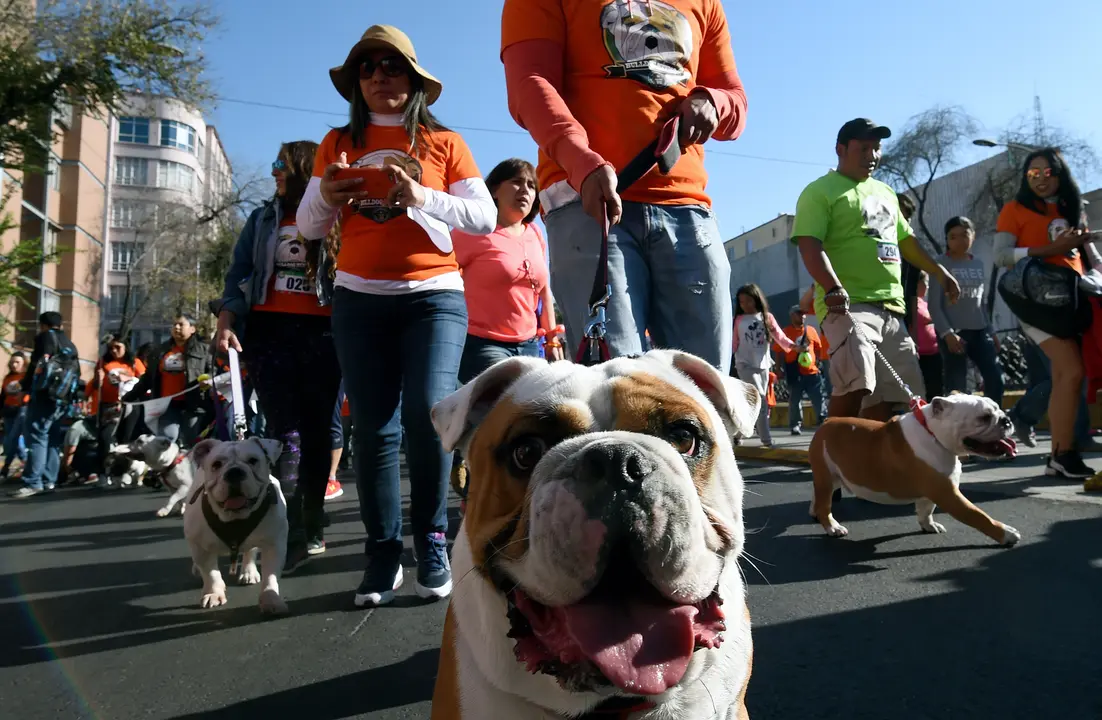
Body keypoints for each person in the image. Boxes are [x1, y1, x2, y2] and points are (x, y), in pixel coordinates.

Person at [297, 25, 496, 607]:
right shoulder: (336, 142)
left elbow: (483, 218)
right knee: (375, 429)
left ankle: (431, 537)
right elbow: (309, 227)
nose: (381, 75)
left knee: (429, 416)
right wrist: (328, 197)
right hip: (358, 298)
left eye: (393, 66)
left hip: (434, 295)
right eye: (368, 67)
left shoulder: (445, 142)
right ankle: (382, 551)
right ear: (357, 83)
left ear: (413, 80)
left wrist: (421, 197)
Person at [501, 0, 747, 372]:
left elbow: (735, 100)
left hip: (688, 207)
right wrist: (581, 161)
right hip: (587, 203)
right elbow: (530, 84)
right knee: (614, 387)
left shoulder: (706, 3)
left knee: (706, 386)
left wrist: (713, 102)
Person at [213, 140, 343, 571]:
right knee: (283, 431)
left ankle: (313, 521)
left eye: (280, 164)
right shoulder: (262, 219)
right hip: (268, 335)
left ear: (305, 170)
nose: (273, 172)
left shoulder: (334, 217)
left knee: (319, 430)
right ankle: (286, 525)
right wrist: (226, 321)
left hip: (324, 333)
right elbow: (238, 276)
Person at [792, 118, 961, 421]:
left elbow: (906, 241)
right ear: (840, 149)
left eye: (877, 148)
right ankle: (830, 454)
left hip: (892, 310)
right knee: (857, 384)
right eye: (863, 148)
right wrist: (832, 287)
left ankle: (867, 464)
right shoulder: (820, 191)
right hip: (848, 305)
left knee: (893, 395)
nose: (872, 155)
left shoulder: (885, 192)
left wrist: (939, 272)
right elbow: (809, 245)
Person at [450, 158, 563, 498]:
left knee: (527, 417)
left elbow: (543, 290)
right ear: (494, 190)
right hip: (482, 341)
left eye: (531, 185)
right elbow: (445, 277)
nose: (525, 191)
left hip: (529, 342)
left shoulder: (534, 233)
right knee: (505, 414)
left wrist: (552, 338)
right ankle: (482, 487)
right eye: (515, 182)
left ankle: (501, 481)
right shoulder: (471, 231)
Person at [993, 147, 1098, 479]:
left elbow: (1088, 255)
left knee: (1070, 377)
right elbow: (1001, 256)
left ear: (1060, 174)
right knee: (1070, 372)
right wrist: (1049, 250)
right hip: (1034, 302)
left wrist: (1088, 252)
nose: (1039, 180)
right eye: (1032, 174)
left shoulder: (1072, 209)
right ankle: (1062, 454)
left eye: (1047, 173)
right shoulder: (1015, 209)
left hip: (1072, 299)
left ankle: (1061, 454)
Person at [929, 216, 1004, 405]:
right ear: (946, 239)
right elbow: (934, 305)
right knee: (957, 389)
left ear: (973, 235)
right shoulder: (940, 264)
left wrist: (991, 331)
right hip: (954, 335)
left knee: (996, 379)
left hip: (980, 331)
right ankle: (960, 431)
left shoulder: (978, 263)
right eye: (953, 236)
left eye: (964, 234)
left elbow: (981, 301)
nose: (959, 240)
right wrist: (947, 334)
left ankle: (993, 425)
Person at [12, 312, 80, 498]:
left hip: (45, 395)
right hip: (62, 397)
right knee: (52, 438)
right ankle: (49, 480)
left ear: (43, 325)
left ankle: (33, 482)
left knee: (36, 435)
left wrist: (24, 387)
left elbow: (37, 365)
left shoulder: (45, 338)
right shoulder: (69, 343)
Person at [124, 315, 213, 446]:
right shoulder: (160, 351)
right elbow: (147, 379)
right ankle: (166, 466)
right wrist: (127, 398)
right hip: (166, 405)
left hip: (194, 405)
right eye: (174, 325)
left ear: (192, 329)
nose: (176, 327)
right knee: (165, 440)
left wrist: (209, 379)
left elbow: (214, 371)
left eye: (181, 325)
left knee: (192, 444)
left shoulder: (204, 350)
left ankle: (192, 466)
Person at [732, 284, 794, 447]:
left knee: (751, 403)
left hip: (764, 365)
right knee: (760, 398)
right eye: (741, 302)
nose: (745, 305)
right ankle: (766, 439)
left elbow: (779, 336)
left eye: (748, 301)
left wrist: (794, 346)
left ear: (757, 299)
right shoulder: (738, 320)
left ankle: (738, 433)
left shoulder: (766, 317)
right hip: (744, 364)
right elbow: (733, 342)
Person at [90, 337, 146, 475]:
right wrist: (99, 378)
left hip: (130, 405)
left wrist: (128, 379)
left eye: (118, 347)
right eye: (111, 348)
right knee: (105, 437)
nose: (114, 351)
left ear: (125, 347)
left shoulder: (134, 362)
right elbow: (95, 385)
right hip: (110, 405)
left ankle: (125, 470)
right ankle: (103, 472)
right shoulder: (104, 362)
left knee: (126, 438)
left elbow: (145, 381)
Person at [778, 305, 825, 435]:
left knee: (817, 397)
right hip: (794, 370)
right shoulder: (785, 332)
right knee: (794, 400)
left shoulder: (811, 330)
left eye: (804, 314)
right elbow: (778, 351)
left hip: (811, 371)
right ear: (792, 316)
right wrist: (779, 368)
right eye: (799, 314)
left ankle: (822, 421)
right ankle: (795, 424)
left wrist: (818, 363)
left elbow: (818, 348)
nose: (803, 316)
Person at [912, 271, 944, 401]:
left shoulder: (925, 304)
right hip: (921, 356)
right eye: (925, 283)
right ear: (918, 283)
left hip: (934, 354)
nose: (927, 287)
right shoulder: (912, 303)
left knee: (936, 390)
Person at [1, 352, 28, 481]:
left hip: (21, 410)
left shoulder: (25, 377)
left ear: (24, 363)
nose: (14, 364)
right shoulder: (7, 378)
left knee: (13, 439)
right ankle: (22, 463)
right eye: (12, 362)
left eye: (17, 362)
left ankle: (7, 467)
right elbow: (3, 396)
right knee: (9, 441)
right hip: (8, 411)